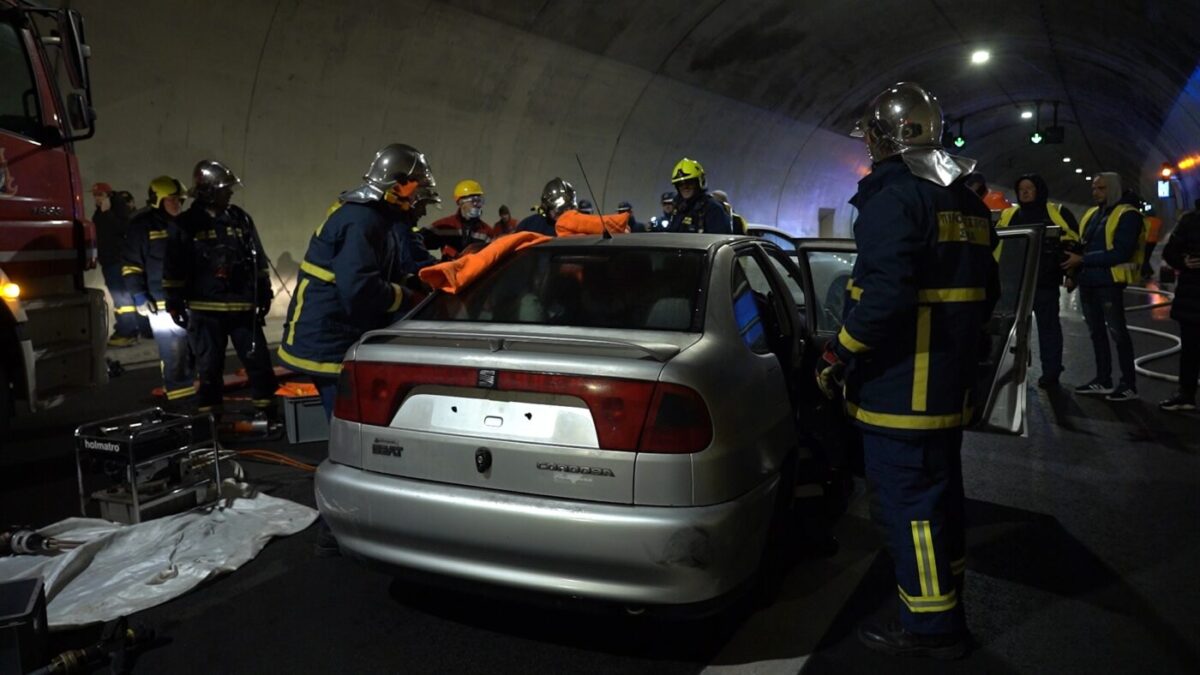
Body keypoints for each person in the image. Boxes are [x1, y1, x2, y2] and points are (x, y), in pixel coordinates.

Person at [815, 82, 997, 660]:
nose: (866, 146)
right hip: (946, 387)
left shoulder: (893, 199)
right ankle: (946, 595)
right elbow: (988, 292)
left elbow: (885, 293)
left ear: (885, 137)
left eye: (869, 136)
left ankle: (930, 627)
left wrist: (838, 352)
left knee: (908, 506)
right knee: (942, 499)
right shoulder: (965, 202)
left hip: (901, 389)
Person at [278, 143, 437, 416]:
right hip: (328, 339)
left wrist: (412, 282)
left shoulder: (378, 218)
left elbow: (380, 271)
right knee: (348, 419)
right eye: (416, 185)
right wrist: (408, 297)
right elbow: (360, 288)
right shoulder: (361, 220)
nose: (418, 196)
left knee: (353, 417)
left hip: (339, 331)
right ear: (397, 184)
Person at [163, 160, 278, 421]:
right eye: (225, 188)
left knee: (258, 362)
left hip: (242, 307)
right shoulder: (186, 223)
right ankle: (210, 419)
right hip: (206, 310)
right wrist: (173, 300)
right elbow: (173, 265)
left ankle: (266, 409)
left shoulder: (240, 219)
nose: (230, 193)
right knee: (209, 367)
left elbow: (258, 257)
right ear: (208, 191)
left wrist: (265, 290)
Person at [1062, 172, 1146, 401]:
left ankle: (1128, 384)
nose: (1095, 192)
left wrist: (1082, 261)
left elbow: (1121, 251)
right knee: (1096, 332)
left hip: (1109, 282)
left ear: (1113, 189)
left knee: (1118, 333)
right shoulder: (1092, 214)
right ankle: (1103, 379)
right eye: (1093, 188)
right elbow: (1082, 247)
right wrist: (1072, 274)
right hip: (1088, 281)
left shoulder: (1129, 215)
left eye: (1101, 188)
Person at [995, 174, 1079, 388]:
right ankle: (1010, 369)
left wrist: (1072, 276)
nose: (1025, 192)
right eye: (1021, 188)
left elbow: (1073, 245)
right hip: (1014, 284)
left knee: (1048, 328)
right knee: (1011, 328)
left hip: (1045, 283)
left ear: (1039, 190)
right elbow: (998, 244)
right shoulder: (1009, 214)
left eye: (1029, 188)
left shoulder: (1057, 213)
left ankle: (1051, 371)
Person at [122, 176, 195, 405]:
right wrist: (140, 296)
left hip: (190, 300)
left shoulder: (186, 223)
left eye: (180, 200)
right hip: (161, 303)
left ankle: (193, 397)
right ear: (158, 200)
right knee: (173, 354)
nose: (177, 205)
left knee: (194, 352)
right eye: (171, 200)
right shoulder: (142, 226)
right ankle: (179, 404)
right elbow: (131, 265)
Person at [1159, 200, 1200, 411]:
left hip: (1191, 295)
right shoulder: (1190, 220)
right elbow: (1170, 252)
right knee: (1190, 349)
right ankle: (1186, 394)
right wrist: (1183, 261)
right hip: (1192, 295)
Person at [92, 182, 141, 347]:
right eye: (95, 195)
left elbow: (122, 229)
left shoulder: (116, 211)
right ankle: (127, 329)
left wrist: (107, 214)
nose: (96, 198)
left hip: (116, 261)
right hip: (108, 261)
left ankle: (128, 332)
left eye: (99, 195)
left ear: (109, 196)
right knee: (120, 297)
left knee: (122, 297)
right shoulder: (101, 212)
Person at [420, 179, 492, 260]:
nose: (477, 205)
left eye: (480, 201)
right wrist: (433, 263)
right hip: (450, 271)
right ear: (460, 202)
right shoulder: (445, 226)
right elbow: (417, 243)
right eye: (473, 201)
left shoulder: (487, 232)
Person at [666, 159, 733, 234]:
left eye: (689, 182)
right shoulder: (678, 209)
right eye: (680, 184)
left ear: (700, 182)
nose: (685, 187)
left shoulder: (713, 209)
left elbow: (719, 241)